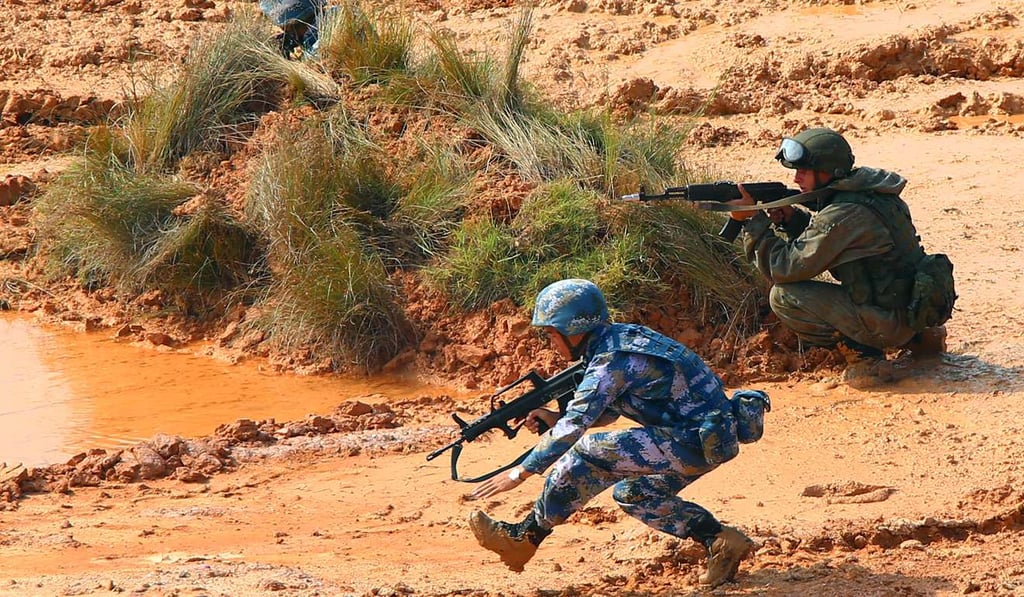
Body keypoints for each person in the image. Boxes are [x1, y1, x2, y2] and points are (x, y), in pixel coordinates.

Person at [467, 279, 769, 588]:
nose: (550, 343)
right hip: (706, 440)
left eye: (551, 334)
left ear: (573, 330)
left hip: (693, 440)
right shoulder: (617, 341)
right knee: (635, 495)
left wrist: (520, 473)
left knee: (588, 450)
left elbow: (575, 425)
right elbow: (607, 410)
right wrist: (552, 416)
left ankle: (524, 538)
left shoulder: (612, 360)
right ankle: (720, 542)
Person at [729, 127, 947, 360]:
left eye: (804, 171)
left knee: (783, 296)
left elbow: (782, 269)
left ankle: (864, 355)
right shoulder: (872, 193)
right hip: (911, 308)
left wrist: (752, 220)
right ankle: (916, 338)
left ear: (826, 172)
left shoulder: (845, 213)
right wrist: (793, 221)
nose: (796, 178)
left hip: (890, 318)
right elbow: (836, 243)